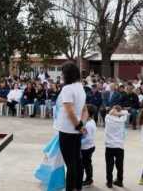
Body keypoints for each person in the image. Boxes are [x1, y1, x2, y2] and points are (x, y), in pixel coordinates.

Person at [54, 61, 87, 191]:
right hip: (76, 131)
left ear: (67, 74)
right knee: (77, 162)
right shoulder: (81, 87)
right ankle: (78, 188)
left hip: (67, 130)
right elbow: (85, 111)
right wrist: (81, 125)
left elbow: (69, 111)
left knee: (71, 164)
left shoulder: (67, 89)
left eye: (62, 73)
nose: (61, 75)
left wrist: (78, 126)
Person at [105, 105, 129, 189]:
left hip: (109, 146)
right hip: (119, 146)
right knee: (120, 165)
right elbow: (126, 112)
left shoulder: (107, 118)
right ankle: (119, 181)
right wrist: (119, 113)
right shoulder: (122, 119)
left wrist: (113, 112)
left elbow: (109, 113)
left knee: (109, 165)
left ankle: (109, 182)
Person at [81, 104, 97, 187]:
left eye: (84, 111)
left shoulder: (89, 125)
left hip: (86, 148)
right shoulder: (89, 122)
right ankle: (87, 178)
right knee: (86, 163)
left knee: (86, 164)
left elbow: (88, 138)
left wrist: (78, 143)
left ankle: (89, 179)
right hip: (88, 146)